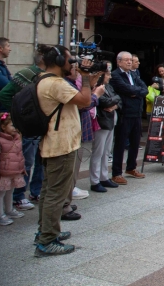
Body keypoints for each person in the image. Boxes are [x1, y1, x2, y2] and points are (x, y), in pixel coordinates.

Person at [35, 45, 100, 256]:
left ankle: (44, 231)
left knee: (48, 191)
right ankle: (47, 240)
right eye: (69, 60)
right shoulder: (55, 84)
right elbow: (85, 101)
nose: (71, 63)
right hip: (61, 144)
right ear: (58, 61)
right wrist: (86, 78)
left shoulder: (44, 79)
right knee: (56, 193)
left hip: (55, 142)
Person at [0, 52, 45, 211]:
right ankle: (18, 196)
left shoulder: (46, 76)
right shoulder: (28, 74)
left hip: (40, 124)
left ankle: (36, 191)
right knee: (26, 160)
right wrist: (19, 113)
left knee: (40, 160)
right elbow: (4, 93)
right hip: (28, 125)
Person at [63, 64, 104, 215]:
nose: (78, 71)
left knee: (73, 171)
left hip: (77, 133)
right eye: (74, 68)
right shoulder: (64, 85)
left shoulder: (72, 84)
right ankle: (63, 206)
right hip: (69, 135)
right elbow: (85, 104)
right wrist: (96, 95)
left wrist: (91, 84)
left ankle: (66, 203)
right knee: (68, 173)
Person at [110, 51, 148, 185]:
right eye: (126, 60)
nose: (129, 62)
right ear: (118, 61)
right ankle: (116, 172)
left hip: (136, 113)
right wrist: (135, 91)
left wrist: (135, 92)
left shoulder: (134, 74)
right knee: (120, 144)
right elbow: (126, 89)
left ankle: (131, 167)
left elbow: (145, 89)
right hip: (124, 113)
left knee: (135, 142)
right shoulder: (115, 75)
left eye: (130, 60)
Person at [91, 69, 121, 192]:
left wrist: (115, 103)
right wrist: (115, 100)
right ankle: (94, 180)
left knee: (106, 151)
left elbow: (119, 99)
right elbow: (104, 102)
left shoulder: (109, 86)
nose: (109, 77)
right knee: (98, 152)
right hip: (102, 122)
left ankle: (104, 176)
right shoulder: (97, 88)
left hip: (111, 122)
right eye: (107, 74)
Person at [0, 113, 27, 226]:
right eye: (12, 125)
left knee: (11, 191)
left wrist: (22, 167)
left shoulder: (17, 139)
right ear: (3, 127)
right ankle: (0, 214)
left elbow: (20, 155)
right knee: (1, 193)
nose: (15, 128)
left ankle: (9, 210)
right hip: (4, 172)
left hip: (14, 170)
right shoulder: (0, 140)